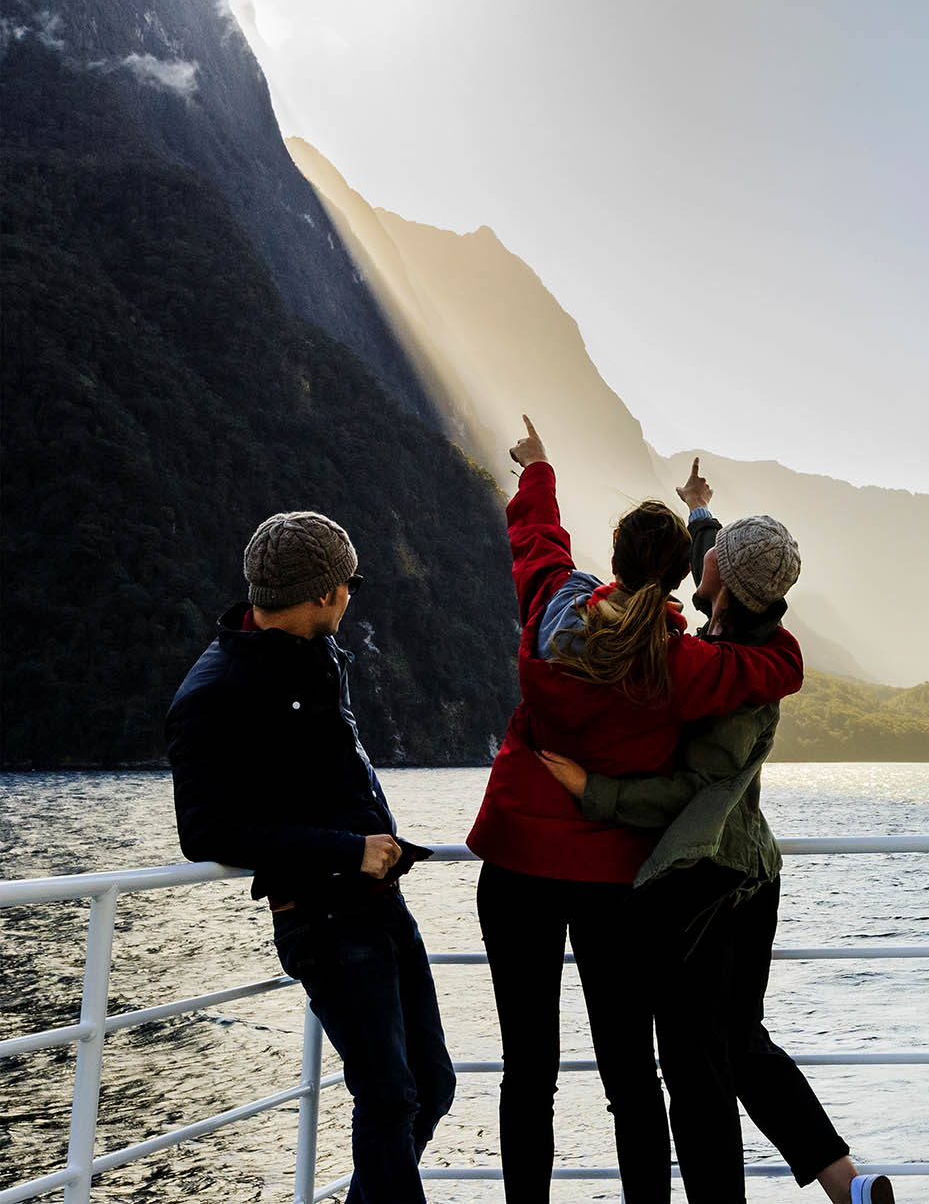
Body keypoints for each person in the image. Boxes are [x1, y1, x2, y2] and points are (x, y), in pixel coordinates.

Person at [466, 420, 806, 1203]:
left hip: (517, 859)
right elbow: (777, 665)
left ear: (611, 558)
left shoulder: (557, 606)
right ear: (682, 576)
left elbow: (539, 546)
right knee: (630, 1076)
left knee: (528, 1073)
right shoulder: (681, 663)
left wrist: (540, 468)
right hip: (609, 876)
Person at [540, 474, 894, 1204]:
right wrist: (700, 508)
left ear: (724, 589)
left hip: (710, 886)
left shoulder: (742, 683)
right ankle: (849, 1186)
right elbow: (718, 553)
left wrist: (593, 791)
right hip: (753, 874)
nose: (700, 563)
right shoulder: (745, 620)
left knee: (698, 1073)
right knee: (740, 1044)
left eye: (713, 561)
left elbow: (685, 792)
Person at [167, 510, 454, 1203]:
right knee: (388, 1097)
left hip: (379, 901)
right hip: (323, 918)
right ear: (324, 591)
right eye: (349, 583)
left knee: (431, 1086)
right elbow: (206, 832)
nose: (353, 596)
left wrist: (375, 847)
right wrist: (348, 850)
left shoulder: (318, 653)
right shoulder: (211, 694)